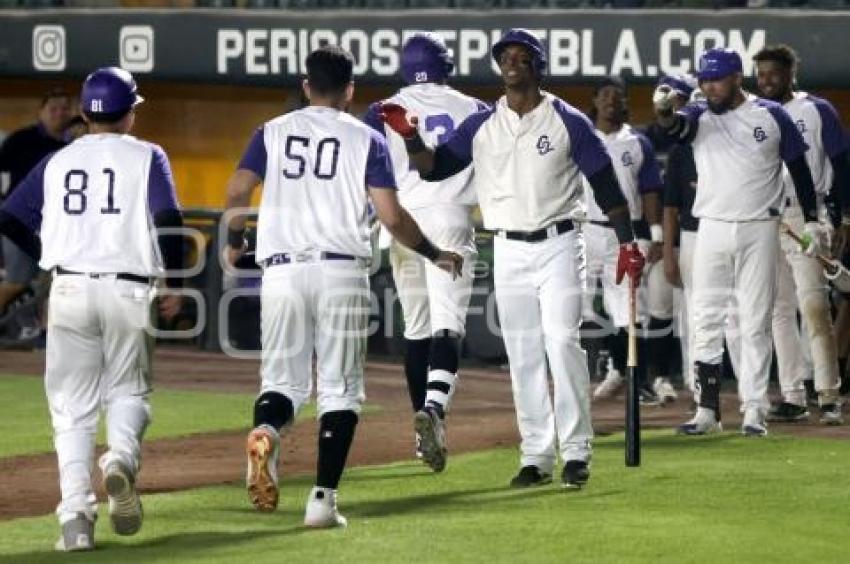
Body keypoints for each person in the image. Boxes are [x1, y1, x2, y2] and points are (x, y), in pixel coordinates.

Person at [380, 29, 644, 489]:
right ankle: (536, 454)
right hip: (508, 246)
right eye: (506, 57)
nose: (513, 63)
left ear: (538, 66)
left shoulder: (567, 119)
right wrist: (410, 139)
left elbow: (604, 182)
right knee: (522, 353)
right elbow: (436, 167)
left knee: (562, 342)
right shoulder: (483, 122)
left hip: (560, 242)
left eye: (523, 57)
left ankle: (577, 451)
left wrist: (627, 242)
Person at [224, 45, 461, 528]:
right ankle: (321, 502)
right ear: (350, 90)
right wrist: (436, 253)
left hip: (283, 271)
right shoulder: (364, 138)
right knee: (341, 391)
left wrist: (233, 240)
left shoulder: (270, 131)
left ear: (306, 85)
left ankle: (267, 429)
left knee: (282, 383)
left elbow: (236, 189)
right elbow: (391, 217)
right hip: (340, 271)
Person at [0, 67, 184, 551]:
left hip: (70, 289)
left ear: (83, 113)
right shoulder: (148, 155)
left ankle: (76, 521)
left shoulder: (58, 161)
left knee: (72, 411)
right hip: (129, 289)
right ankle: (120, 458)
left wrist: (45, 254)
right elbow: (168, 221)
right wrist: (175, 280)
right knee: (128, 391)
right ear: (130, 114)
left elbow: (9, 216)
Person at [653, 47, 820, 437]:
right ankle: (706, 411)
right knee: (705, 318)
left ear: (735, 77)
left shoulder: (771, 114)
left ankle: (754, 410)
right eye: (704, 79)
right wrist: (664, 110)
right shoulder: (699, 114)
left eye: (716, 79)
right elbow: (675, 128)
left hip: (759, 227)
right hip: (711, 225)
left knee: (756, 320)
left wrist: (814, 220)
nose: (709, 87)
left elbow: (798, 167)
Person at [363, 32, 485, 472]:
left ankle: (423, 433)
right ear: (445, 65)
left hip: (401, 221)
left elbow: (362, 169)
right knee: (447, 326)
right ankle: (433, 411)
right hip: (450, 215)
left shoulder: (380, 109)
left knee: (416, 330)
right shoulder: (473, 107)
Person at [752, 44, 849, 425]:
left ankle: (828, 395)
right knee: (777, 310)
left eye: (773, 73)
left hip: (808, 213)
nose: (766, 81)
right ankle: (792, 395)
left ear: (792, 73)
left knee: (814, 307)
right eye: (760, 75)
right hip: (767, 215)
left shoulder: (817, 109)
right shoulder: (755, 114)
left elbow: (840, 163)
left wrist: (843, 217)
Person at [581, 76, 666, 407]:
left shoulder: (637, 141)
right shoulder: (580, 136)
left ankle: (634, 378)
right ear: (595, 100)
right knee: (579, 306)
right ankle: (604, 370)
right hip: (584, 228)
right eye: (605, 96)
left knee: (630, 308)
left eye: (618, 97)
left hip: (625, 232)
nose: (612, 102)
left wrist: (653, 234)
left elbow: (649, 190)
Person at [0, 88, 70, 330]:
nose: (59, 113)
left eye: (64, 109)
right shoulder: (21, 139)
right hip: (19, 220)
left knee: (52, 281)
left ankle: (44, 332)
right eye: (53, 108)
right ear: (41, 112)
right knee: (17, 282)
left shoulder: (71, 146)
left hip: (54, 223)